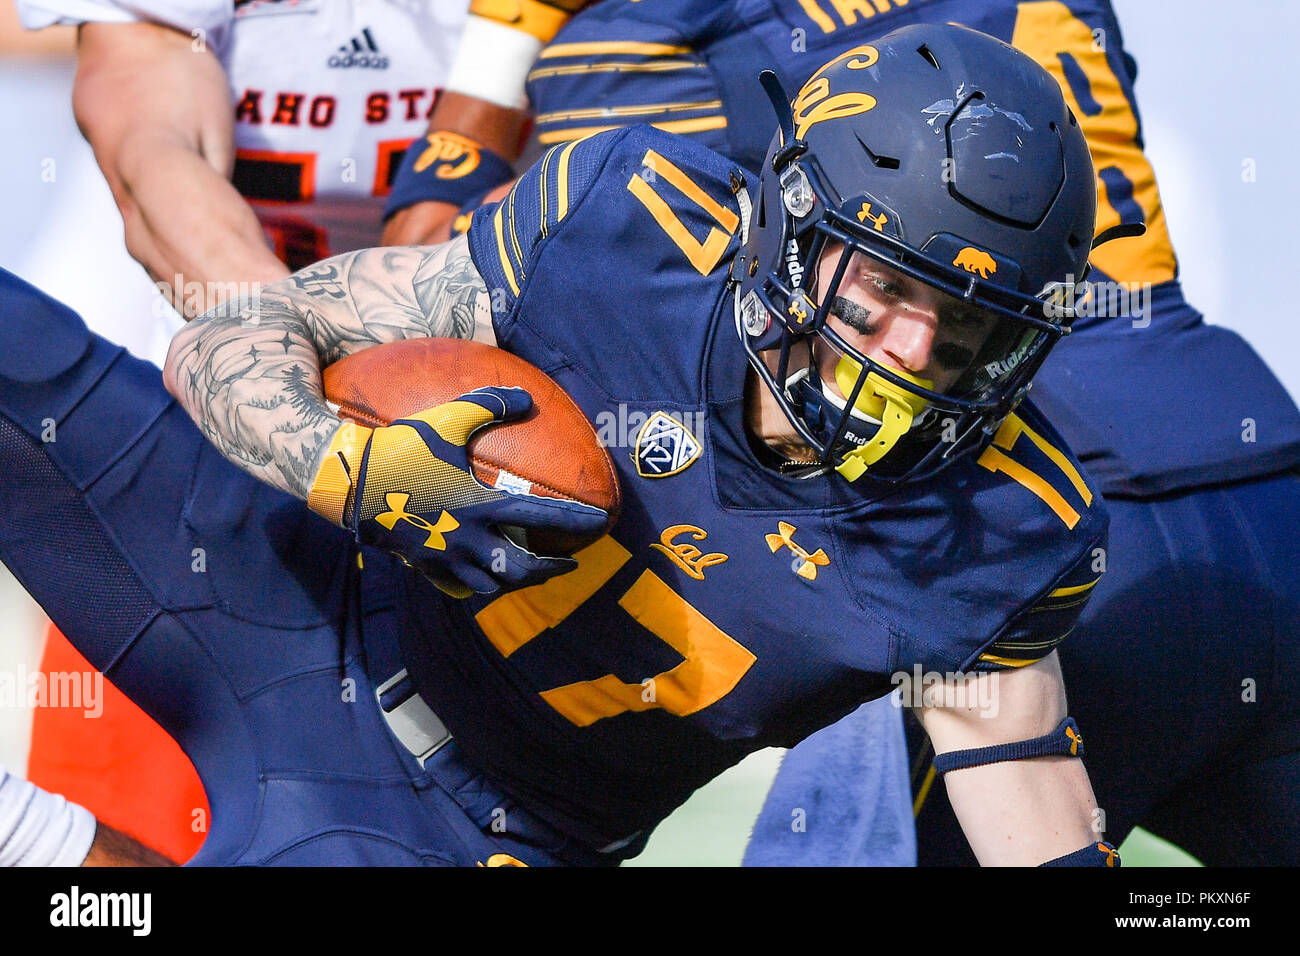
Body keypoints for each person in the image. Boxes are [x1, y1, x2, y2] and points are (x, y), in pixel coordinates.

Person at [2, 25, 1114, 866]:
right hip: (279, 571)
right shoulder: (627, 229)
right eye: (881, 285)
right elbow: (232, 338)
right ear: (790, 225)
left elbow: (1034, 815)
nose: (913, 349)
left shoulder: (1004, 533)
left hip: (449, 826)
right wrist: (341, 466)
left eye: (969, 323)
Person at [424, 0, 1300, 866]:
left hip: (1046, 506)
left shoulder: (677, 35)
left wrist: (440, 176)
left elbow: (674, 251)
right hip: (1259, 465)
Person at [13, 0, 468, 862]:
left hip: (468, 452)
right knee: (120, 863)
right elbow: (148, 141)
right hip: (200, 453)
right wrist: (282, 376)